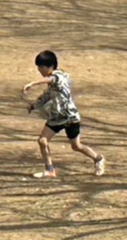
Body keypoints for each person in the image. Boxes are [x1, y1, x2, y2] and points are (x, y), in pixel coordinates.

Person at [25, 49, 105, 178]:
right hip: (57, 118)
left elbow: (52, 79)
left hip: (69, 117)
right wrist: (34, 105)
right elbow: (47, 96)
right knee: (42, 141)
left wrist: (33, 83)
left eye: (41, 67)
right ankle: (50, 170)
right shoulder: (51, 83)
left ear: (50, 66)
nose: (39, 70)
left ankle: (98, 159)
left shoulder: (59, 77)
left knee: (76, 146)